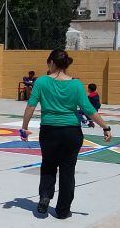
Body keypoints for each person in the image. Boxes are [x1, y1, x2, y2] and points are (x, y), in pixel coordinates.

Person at [20, 49, 112, 219]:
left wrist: (24, 127)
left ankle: (45, 197)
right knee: (67, 170)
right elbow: (88, 109)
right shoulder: (76, 84)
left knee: (48, 165)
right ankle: (63, 210)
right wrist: (105, 126)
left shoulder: (41, 82)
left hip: (49, 131)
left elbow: (31, 106)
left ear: (52, 63)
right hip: (71, 132)